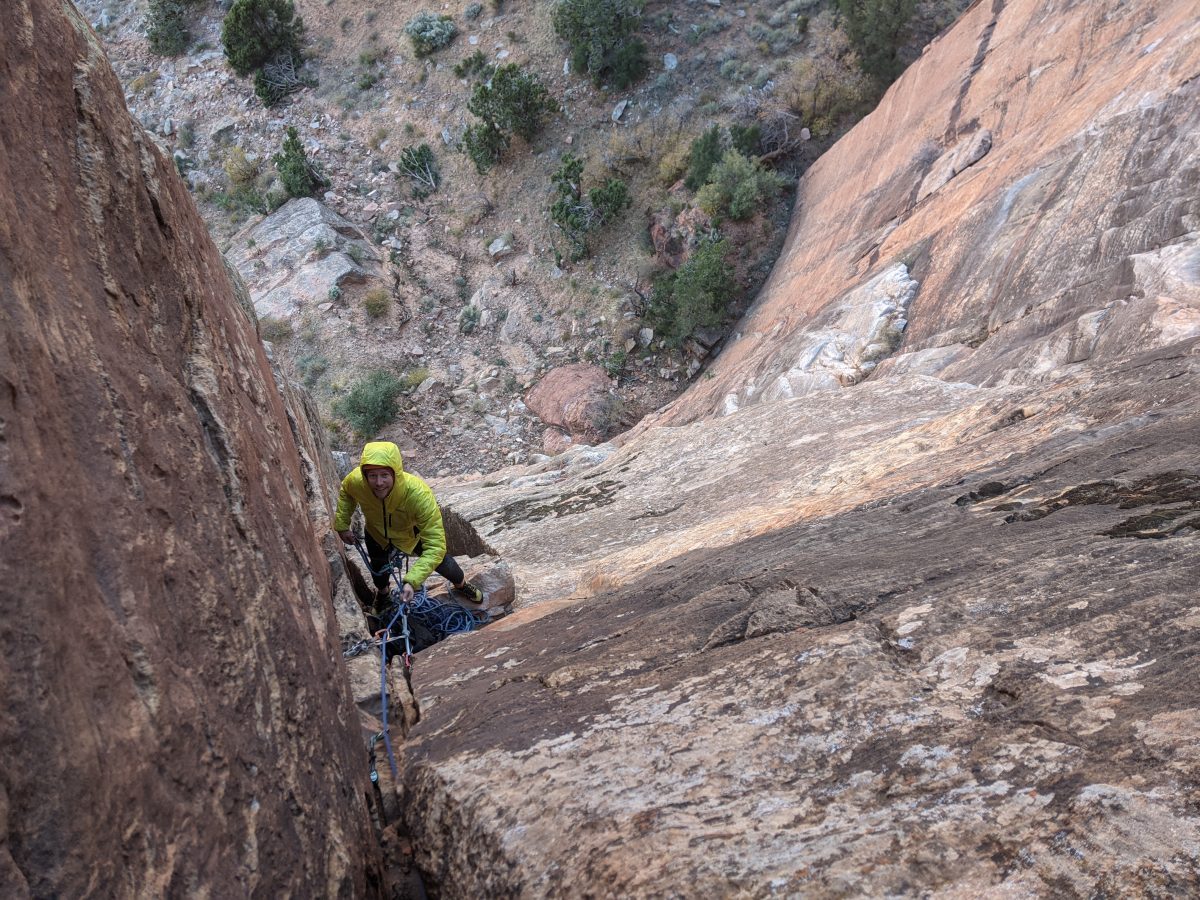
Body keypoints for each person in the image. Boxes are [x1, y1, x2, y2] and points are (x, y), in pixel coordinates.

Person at [334, 441, 482, 608]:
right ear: (364, 475)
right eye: (372, 476)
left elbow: (436, 547)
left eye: (384, 475)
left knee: (443, 562)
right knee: (378, 568)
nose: (378, 482)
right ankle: (383, 595)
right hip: (377, 534)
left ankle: (461, 584)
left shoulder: (418, 494)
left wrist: (412, 581)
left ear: (396, 474)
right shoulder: (356, 482)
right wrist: (342, 525)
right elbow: (346, 492)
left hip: (411, 533)